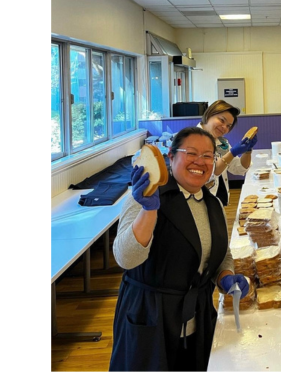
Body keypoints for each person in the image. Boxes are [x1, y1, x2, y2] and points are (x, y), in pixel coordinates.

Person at [109, 127, 250, 371]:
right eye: (191, 153)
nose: (200, 161)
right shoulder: (146, 196)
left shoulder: (212, 203)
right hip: (151, 317)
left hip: (197, 317)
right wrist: (149, 210)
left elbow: (219, 253)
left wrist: (226, 277)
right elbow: (126, 258)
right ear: (171, 157)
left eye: (208, 156)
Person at [198, 100, 258, 206]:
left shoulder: (221, 142)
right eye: (221, 120)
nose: (224, 127)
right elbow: (211, 172)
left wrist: (248, 151)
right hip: (200, 202)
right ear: (208, 115)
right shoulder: (193, 139)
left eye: (228, 125)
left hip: (218, 201)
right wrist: (233, 153)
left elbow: (238, 168)